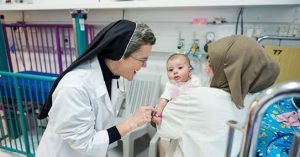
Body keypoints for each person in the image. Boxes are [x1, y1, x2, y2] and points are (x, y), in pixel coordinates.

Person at [36, 20, 157, 157]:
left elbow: (101, 127)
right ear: (121, 54)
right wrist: (132, 122)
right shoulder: (74, 87)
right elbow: (86, 144)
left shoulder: (111, 77)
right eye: (143, 60)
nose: (145, 66)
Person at [155, 35, 280, 157]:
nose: (205, 68)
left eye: (211, 63)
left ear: (231, 68)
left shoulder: (195, 98)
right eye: (170, 70)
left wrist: (159, 109)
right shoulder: (253, 102)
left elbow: (163, 125)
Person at [152, 53, 202, 124]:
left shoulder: (195, 81)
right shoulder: (171, 85)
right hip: (177, 114)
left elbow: (201, 96)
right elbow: (163, 100)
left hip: (193, 112)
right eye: (171, 70)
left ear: (189, 72)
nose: (175, 72)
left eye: (180, 68)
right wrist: (158, 114)